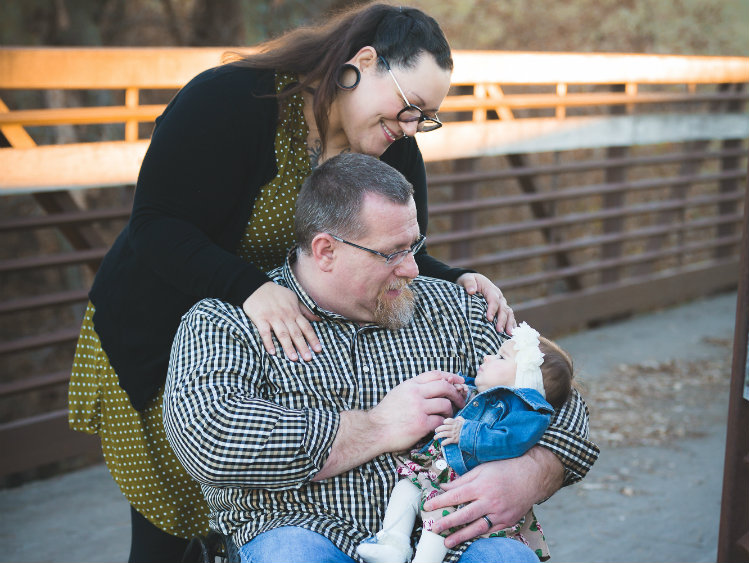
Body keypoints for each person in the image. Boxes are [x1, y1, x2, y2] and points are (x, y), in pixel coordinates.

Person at [67, 4, 517, 560]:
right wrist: (249, 289)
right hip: (158, 329)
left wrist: (462, 279)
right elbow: (154, 224)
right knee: (175, 533)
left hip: (267, 345)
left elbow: (399, 250)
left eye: (425, 118)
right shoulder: (231, 99)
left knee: (251, 513)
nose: (410, 127)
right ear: (365, 62)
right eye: (409, 107)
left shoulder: (396, 147)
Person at [163, 153, 599, 563]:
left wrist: (533, 471)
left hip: (447, 540)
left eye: (414, 244)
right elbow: (209, 439)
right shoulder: (226, 322)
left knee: (506, 557)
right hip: (303, 529)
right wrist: (375, 427)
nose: (413, 267)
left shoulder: (458, 308)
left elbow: (560, 395)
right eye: (392, 253)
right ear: (325, 251)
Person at [357, 322, 574, 563]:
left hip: (463, 485)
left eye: (501, 357)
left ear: (525, 380)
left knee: (441, 519)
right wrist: (464, 397)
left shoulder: (527, 416)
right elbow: (476, 412)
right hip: (437, 472)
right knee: (406, 488)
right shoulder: (489, 397)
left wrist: (466, 433)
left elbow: (509, 441)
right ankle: (393, 543)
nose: (488, 357)